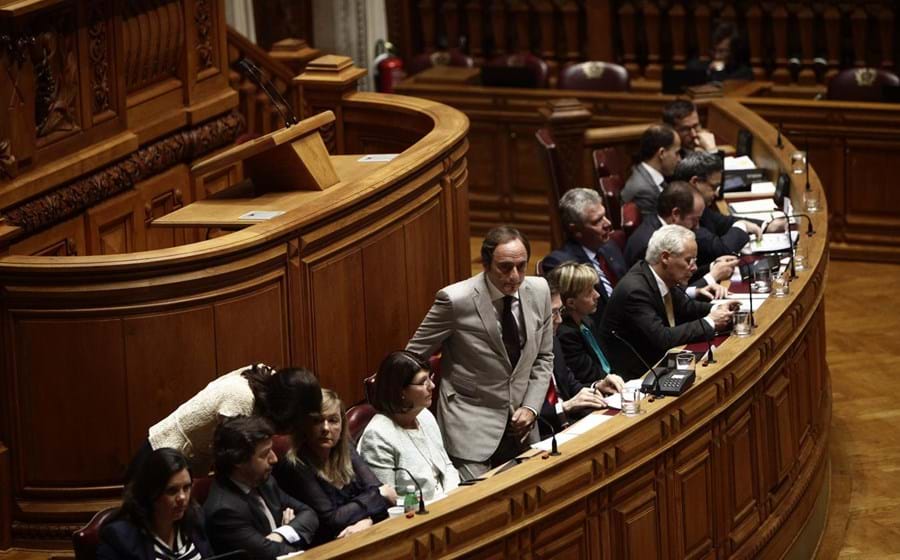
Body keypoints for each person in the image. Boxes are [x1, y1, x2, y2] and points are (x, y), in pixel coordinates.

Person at [406, 225, 553, 480]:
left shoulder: (539, 290)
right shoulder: (455, 300)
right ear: (485, 264)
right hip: (470, 425)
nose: (515, 276)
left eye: (522, 266)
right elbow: (412, 356)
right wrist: (424, 387)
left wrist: (531, 407)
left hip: (522, 425)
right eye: (505, 267)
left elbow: (543, 357)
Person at [599, 225, 739, 379]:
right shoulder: (635, 290)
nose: (694, 268)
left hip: (661, 362)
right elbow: (663, 338)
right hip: (637, 376)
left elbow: (685, 307)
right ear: (665, 257)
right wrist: (711, 322)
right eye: (688, 260)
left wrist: (718, 308)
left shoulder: (661, 276)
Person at [133, 364, 322, 478]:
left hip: (190, 463)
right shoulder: (240, 400)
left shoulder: (275, 385)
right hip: (161, 457)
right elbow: (231, 462)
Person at [275, 389, 394, 544]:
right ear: (304, 425)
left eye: (333, 420)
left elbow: (381, 493)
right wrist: (378, 495)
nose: (325, 428)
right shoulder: (295, 465)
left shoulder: (347, 450)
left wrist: (366, 521)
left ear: (342, 425)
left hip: (360, 538)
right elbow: (331, 521)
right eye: (317, 421)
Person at [203, 416, 318, 560]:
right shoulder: (224, 510)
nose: (274, 459)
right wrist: (295, 539)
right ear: (238, 461)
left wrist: (280, 534)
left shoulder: (265, 481)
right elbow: (267, 555)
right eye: (264, 454)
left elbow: (309, 514)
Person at [357, 351, 460, 501]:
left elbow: (447, 466)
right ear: (401, 391)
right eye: (422, 382)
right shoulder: (377, 436)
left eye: (429, 378)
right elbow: (388, 500)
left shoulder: (424, 415)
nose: (432, 385)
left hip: (448, 502)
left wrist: (455, 497)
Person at [624, 181, 736, 299]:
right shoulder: (648, 245)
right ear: (676, 214)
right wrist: (712, 276)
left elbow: (677, 273)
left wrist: (713, 266)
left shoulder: (660, 228)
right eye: (694, 219)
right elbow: (666, 297)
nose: (697, 226)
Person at [539, 280, 622, 437]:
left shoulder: (553, 340)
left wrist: (596, 387)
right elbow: (520, 418)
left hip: (572, 425)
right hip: (546, 435)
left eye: (560, 311)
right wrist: (564, 407)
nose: (560, 320)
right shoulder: (516, 355)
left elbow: (570, 384)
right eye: (553, 313)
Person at [98, 448, 214, 560]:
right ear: (150, 492)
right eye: (172, 490)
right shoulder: (119, 537)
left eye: (187, 487)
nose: (182, 497)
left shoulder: (195, 518)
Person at [541, 188, 627, 327]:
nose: (608, 223)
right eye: (597, 221)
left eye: (604, 215)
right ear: (576, 230)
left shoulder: (610, 246)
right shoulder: (561, 264)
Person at [673, 151, 785, 239]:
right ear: (695, 182)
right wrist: (743, 226)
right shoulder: (684, 215)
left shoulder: (698, 207)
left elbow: (723, 221)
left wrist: (766, 225)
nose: (716, 193)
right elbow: (718, 248)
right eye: (713, 187)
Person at [549, 262, 622, 387]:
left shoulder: (587, 321)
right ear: (571, 303)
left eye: (594, 288)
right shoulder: (565, 334)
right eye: (589, 292)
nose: (597, 295)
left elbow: (605, 364)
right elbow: (588, 376)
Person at [621, 124, 682, 216]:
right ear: (662, 153)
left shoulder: (645, 174)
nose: (679, 159)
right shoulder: (643, 190)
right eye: (676, 153)